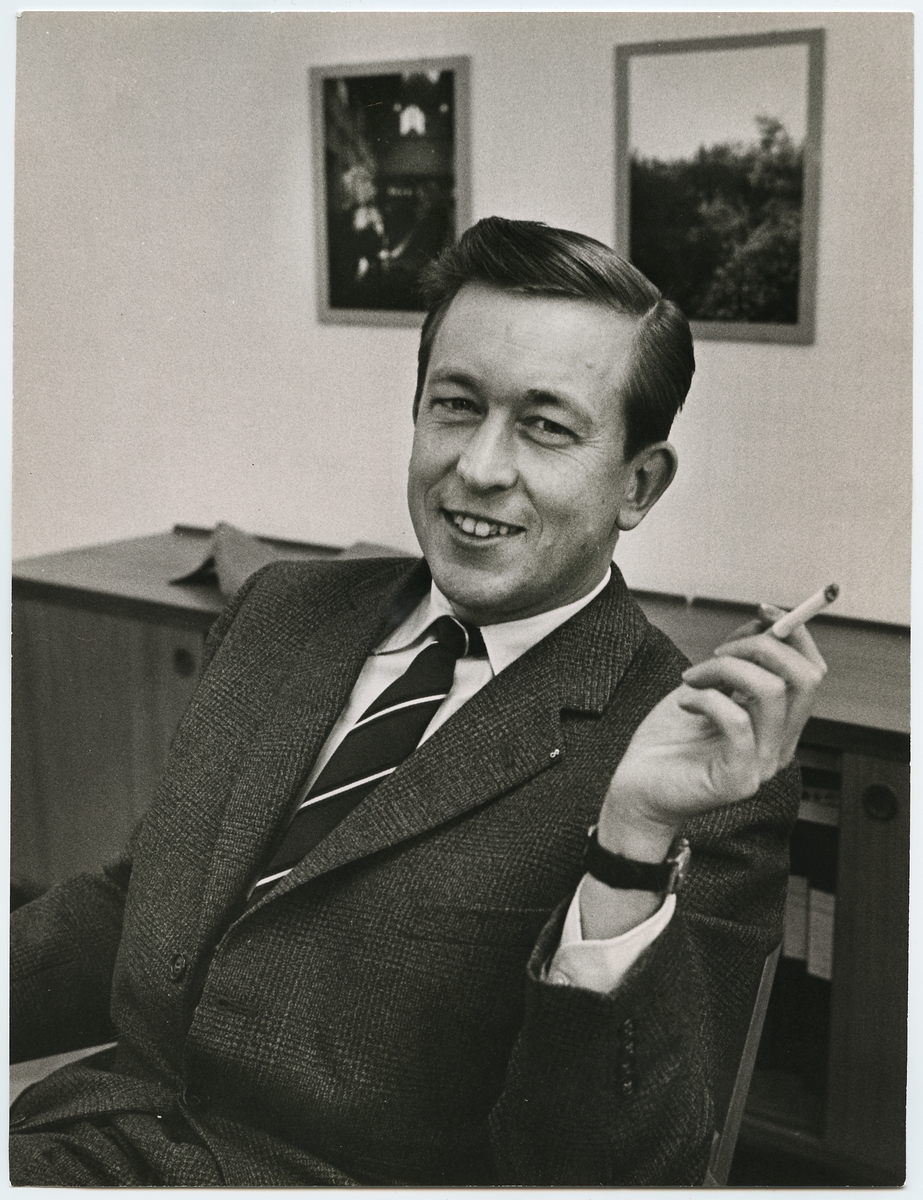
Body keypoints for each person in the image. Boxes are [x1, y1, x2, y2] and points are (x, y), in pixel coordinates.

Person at [10, 217, 826, 1186]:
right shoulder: (279, 611)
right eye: (455, 406)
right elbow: (137, 908)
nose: (477, 466)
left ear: (637, 484)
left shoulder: (689, 767)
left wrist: (628, 846)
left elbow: (613, 1171)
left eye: (545, 426)